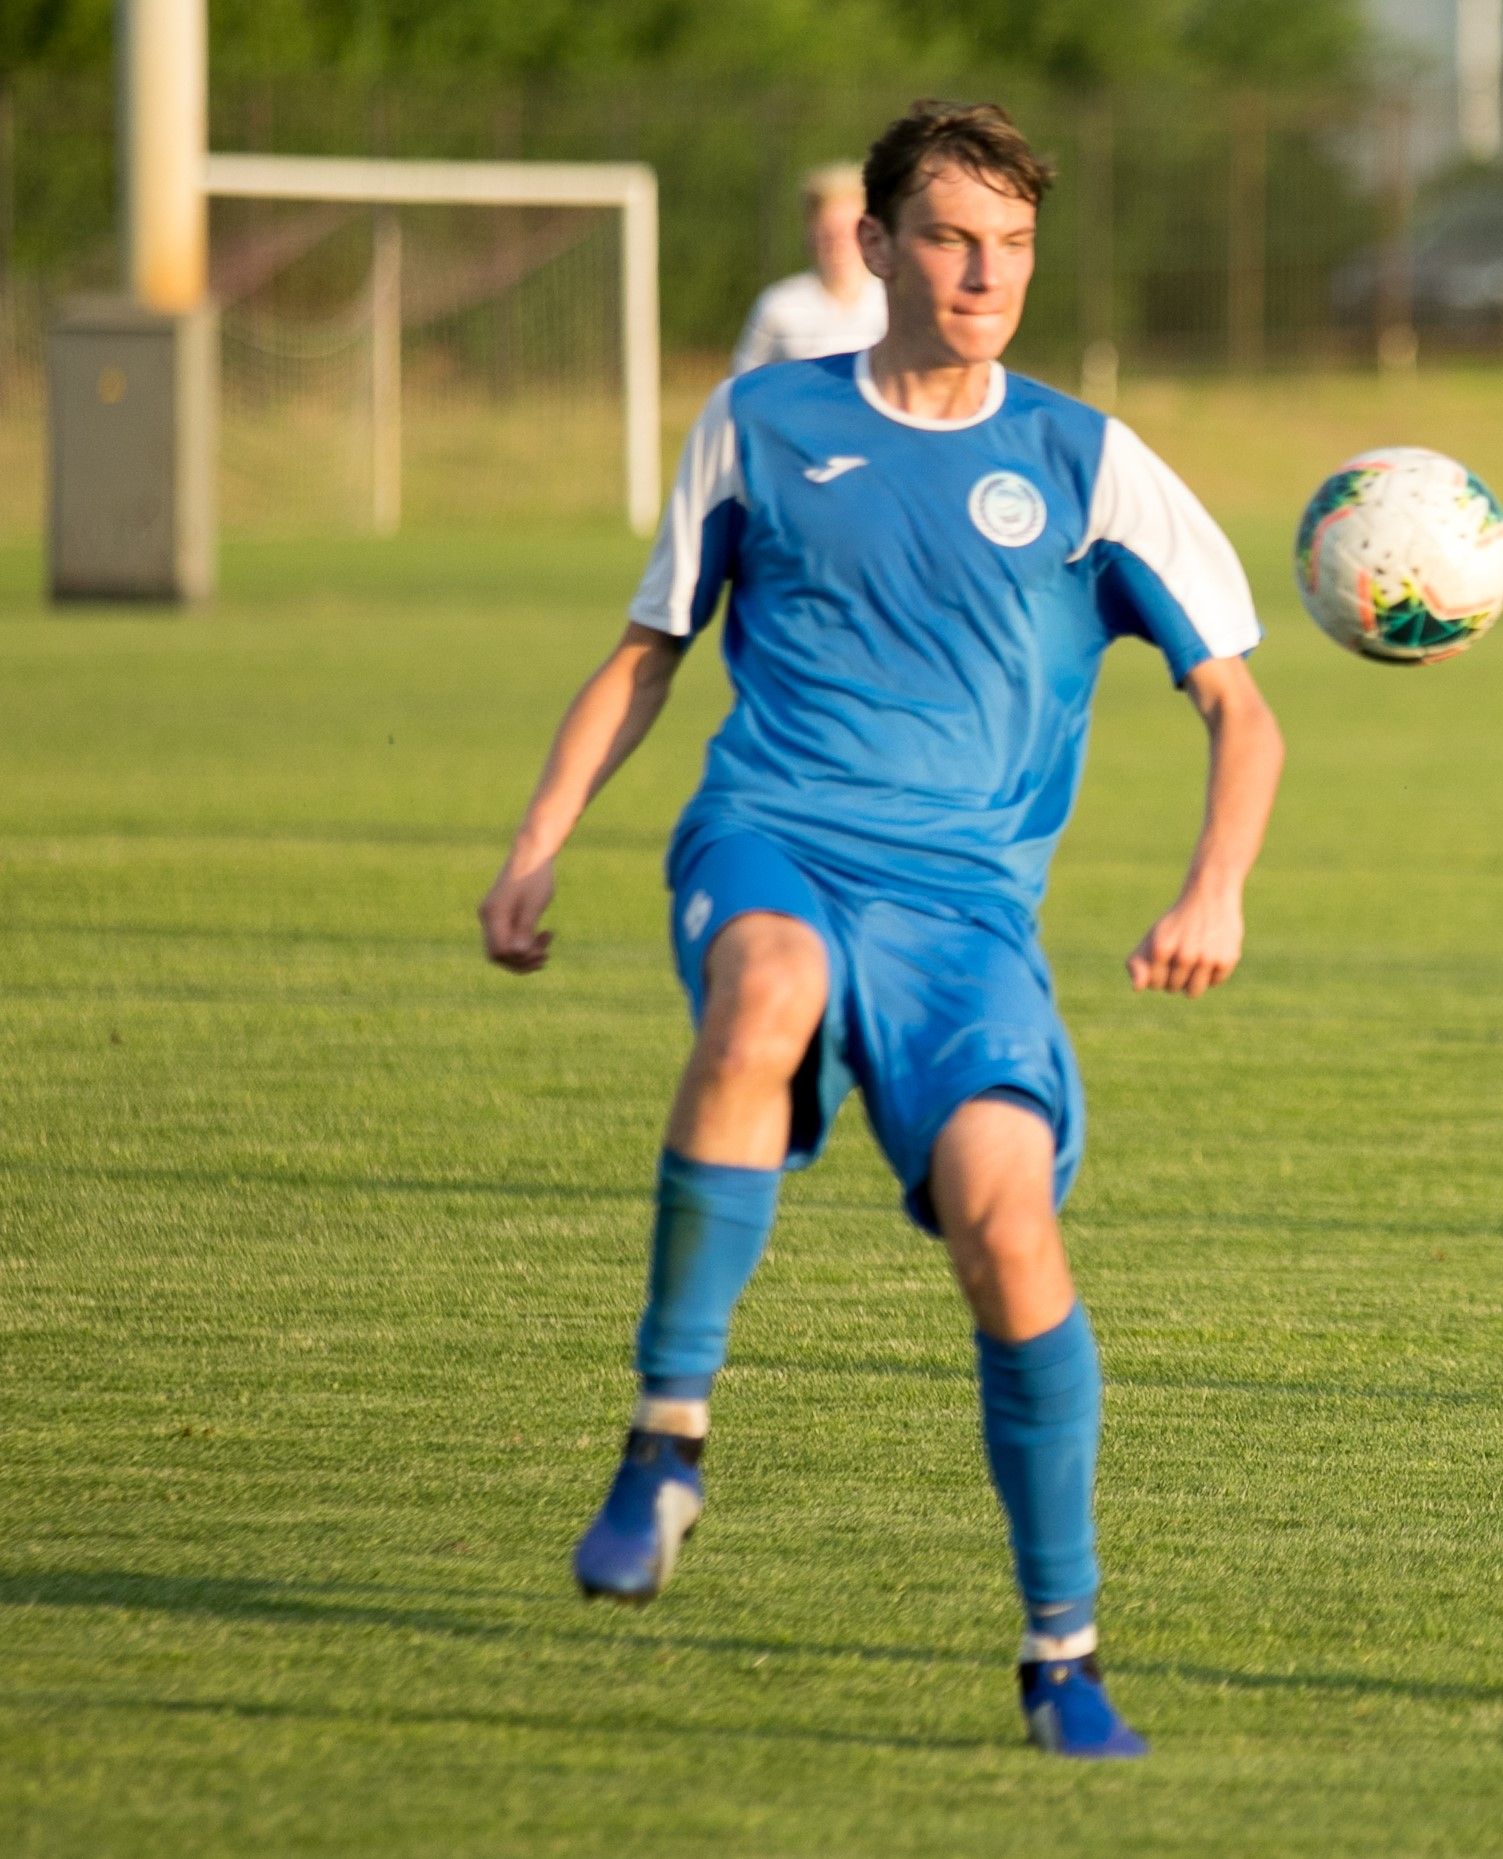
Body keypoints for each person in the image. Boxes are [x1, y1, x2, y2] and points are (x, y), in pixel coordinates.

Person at [478, 100, 1282, 1759]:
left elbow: (1241, 711)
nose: (983, 273)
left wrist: (1215, 883)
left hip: (966, 912)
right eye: (947, 237)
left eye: (1011, 245)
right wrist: (538, 842)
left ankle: (1059, 1650)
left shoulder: (1082, 460)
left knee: (1006, 1226)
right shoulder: (760, 419)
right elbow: (650, 648)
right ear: (870, 245)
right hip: (770, 831)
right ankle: (663, 1436)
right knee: (765, 978)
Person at [731, 163, 888, 374]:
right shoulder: (778, 306)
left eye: (848, 230)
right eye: (827, 232)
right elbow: (742, 384)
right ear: (811, 233)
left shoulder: (894, 302)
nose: (838, 243)